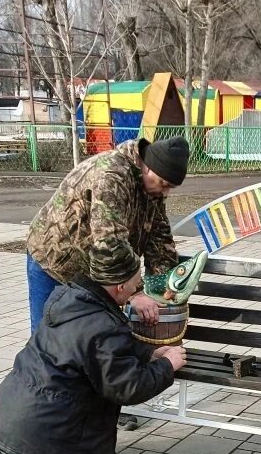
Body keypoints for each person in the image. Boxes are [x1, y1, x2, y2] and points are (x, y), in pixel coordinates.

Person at [0, 237, 186, 454]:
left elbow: (97, 349)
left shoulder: (68, 298)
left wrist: (147, 354)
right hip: (47, 428)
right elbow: (126, 388)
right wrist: (167, 366)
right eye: (135, 282)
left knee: (36, 447)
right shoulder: (103, 324)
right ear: (120, 286)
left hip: (7, 416)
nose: (137, 287)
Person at [26, 135, 190, 331]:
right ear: (147, 166)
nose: (165, 193)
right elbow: (109, 242)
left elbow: (160, 240)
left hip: (92, 273)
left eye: (170, 188)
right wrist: (135, 293)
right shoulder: (111, 175)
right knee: (46, 337)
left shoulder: (151, 189)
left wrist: (162, 289)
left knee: (86, 341)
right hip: (54, 260)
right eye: (163, 184)